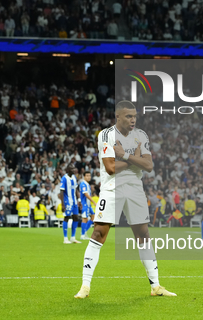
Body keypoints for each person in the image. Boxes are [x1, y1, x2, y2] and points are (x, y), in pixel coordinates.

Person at [74, 100, 176, 299]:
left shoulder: (141, 135)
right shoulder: (106, 135)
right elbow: (111, 168)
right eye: (129, 116)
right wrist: (133, 158)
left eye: (135, 116)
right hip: (113, 188)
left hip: (135, 189)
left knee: (144, 236)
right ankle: (85, 286)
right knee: (98, 234)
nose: (133, 120)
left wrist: (125, 156)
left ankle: (156, 286)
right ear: (118, 116)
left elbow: (148, 166)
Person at [60, 164, 81, 244]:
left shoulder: (74, 177)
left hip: (74, 201)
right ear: (68, 170)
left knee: (76, 218)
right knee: (67, 217)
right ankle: (65, 238)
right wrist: (62, 204)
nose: (74, 169)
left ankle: (73, 237)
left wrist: (79, 200)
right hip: (67, 201)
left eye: (74, 168)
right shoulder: (64, 178)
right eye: (72, 168)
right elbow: (61, 191)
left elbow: (76, 190)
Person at [79, 172, 95, 240]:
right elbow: (86, 194)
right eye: (87, 176)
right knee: (84, 219)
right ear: (84, 177)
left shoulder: (87, 184)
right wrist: (93, 201)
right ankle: (82, 235)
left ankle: (84, 231)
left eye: (89, 175)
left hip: (88, 204)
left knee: (93, 217)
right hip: (84, 204)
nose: (89, 177)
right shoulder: (83, 184)